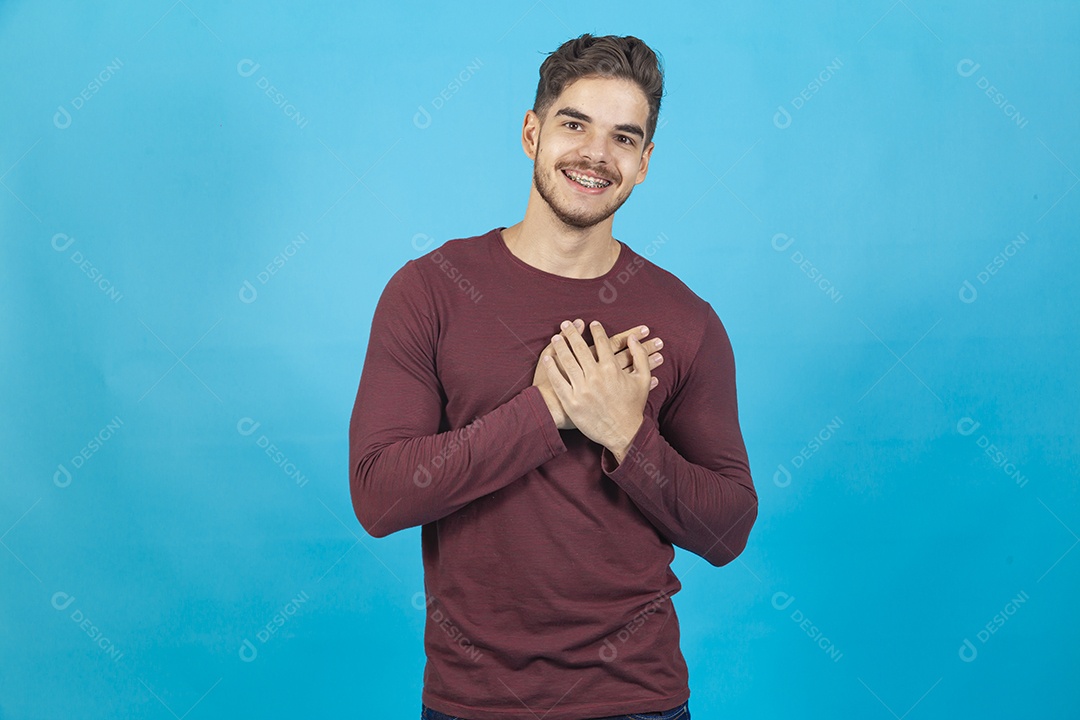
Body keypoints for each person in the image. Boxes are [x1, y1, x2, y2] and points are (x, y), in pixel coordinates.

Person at [349, 33, 757, 720]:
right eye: (575, 125)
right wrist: (544, 413)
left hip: (638, 699)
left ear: (645, 163)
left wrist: (628, 436)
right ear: (531, 132)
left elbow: (727, 532)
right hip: (472, 702)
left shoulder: (687, 320)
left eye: (624, 138)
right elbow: (380, 496)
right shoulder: (429, 292)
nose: (597, 154)